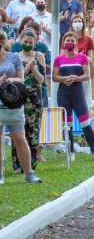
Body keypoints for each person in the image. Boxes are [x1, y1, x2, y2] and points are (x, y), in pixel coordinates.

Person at [52, 31, 94, 162]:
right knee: (67, 125)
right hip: (63, 94)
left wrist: (75, 79)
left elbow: (86, 75)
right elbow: (54, 77)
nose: (69, 43)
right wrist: (65, 78)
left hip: (78, 94)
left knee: (86, 123)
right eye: (67, 41)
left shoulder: (82, 57)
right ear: (63, 43)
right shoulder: (59, 59)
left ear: (76, 43)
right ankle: (71, 151)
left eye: (72, 41)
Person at [0, 31, 42, 184]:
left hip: (13, 101)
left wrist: (12, 79)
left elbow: (21, 78)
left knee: (19, 138)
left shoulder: (13, 57)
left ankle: (28, 173)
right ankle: (0, 175)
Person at [10, 29, 45, 173]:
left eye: (31, 43)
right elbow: (18, 78)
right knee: (18, 131)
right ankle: (17, 165)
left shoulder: (39, 56)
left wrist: (33, 67)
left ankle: (30, 164)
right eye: (25, 42)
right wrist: (26, 68)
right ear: (20, 40)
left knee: (32, 131)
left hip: (34, 99)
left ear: (35, 43)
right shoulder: (15, 56)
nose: (28, 45)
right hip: (18, 98)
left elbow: (41, 80)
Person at [63, 14, 94, 106]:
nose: (77, 24)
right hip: (69, 70)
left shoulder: (88, 39)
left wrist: (80, 57)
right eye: (75, 22)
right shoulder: (67, 38)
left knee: (84, 97)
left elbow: (90, 59)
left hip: (82, 71)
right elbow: (62, 56)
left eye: (79, 21)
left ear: (83, 24)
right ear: (71, 24)